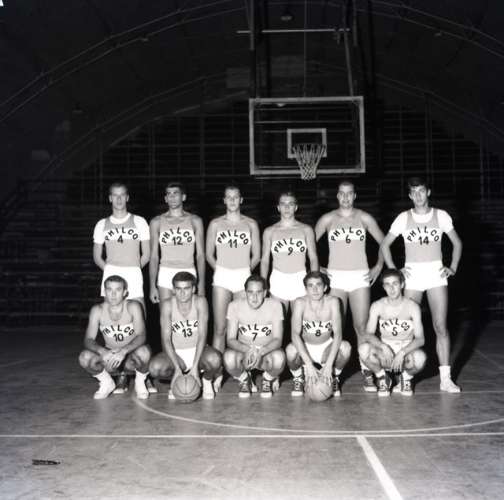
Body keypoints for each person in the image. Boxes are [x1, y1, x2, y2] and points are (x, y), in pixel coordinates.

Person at [380, 177, 462, 392]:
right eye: (414, 192)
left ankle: (446, 379)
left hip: (436, 275)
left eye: (421, 191)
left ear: (428, 192)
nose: (418, 195)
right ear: (410, 195)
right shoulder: (403, 218)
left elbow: (457, 242)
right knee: (407, 327)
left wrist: (452, 266)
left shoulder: (441, 215)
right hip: (412, 276)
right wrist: (395, 271)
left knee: (440, 326)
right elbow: (385, 244)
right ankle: (405, 377)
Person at [315, 180, 385, 392]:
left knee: (361, 327)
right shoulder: (327, 219)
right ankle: (333, 374)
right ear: (337, 196)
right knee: (335, 327)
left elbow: (385, 241)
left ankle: (367, 372)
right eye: (342, 193)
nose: (345, 197)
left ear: (354, 196)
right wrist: (317, 267)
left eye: (349, 193)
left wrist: (378, 266)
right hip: (335, 278)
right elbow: (308, 244)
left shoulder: (364, 218)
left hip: (359, 277)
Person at [92, 182, 153, 394]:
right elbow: (97, 257)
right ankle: (121, 375)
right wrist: (112, 271)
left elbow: (147, 254)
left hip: (133, 274)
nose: (118, 199)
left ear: (127, 197)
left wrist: (132, 269)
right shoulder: (102, 224)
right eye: (114, 195)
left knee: (139, 323)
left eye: (122, 195)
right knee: (115, 324)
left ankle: (144, 374)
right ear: (110, 198)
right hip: (111, 275)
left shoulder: (139, 221)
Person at [206, 184, 261, 392]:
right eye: (228, 197)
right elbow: (209, 254)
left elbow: (257, 255)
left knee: (241, 329)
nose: (231, 200)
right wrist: (222, 270)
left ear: (241, 200)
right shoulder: (215, 224)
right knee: (220, 328)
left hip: (243, 276)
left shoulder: (251, 224)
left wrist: (244, 271)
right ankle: (216, 372)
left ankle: (245, 374)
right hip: (222, 276)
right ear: (224, 200)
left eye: (235, 197)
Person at [149, 272, 222, 400]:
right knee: (155, 368)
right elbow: (166, 340)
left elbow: (202, 336)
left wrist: (195, 366)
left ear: (193, 289)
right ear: (173, 290)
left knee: (215, 359)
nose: (182, 293)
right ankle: (178, 379)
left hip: (198, 351)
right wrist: (177, 368)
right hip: (177, 355)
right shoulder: (167, 305)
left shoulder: (200, 302)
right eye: (178, 289)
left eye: (186, 288)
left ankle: (206, 380)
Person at [78, 275, 151, 399]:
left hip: (130, 358)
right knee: (84, 357)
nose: (113, 294)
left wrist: (123, 351)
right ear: (104, 291)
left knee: (144, 352)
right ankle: (107, 383)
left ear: (125, 292)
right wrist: (102, 351)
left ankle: (140, 382)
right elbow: (88, 339)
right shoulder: (97, 310)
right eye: (109, 289)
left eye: (118, 290)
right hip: (110, 359)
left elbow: (142, 336)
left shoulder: (133, 306)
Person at [359, 269, 426, 396]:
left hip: (405, 351)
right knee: (363, 349)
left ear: (402, 284)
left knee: (420, 358)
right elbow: (368, 334)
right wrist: (383, 346)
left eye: (395, 283)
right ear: (384, 287)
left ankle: (405, 378)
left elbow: (420, 339)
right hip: (386, 353)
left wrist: (403, 352)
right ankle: (383, 377)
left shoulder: (412, 307)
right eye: (387, 284)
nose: (391, 288)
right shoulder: (377, 305)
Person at [287, 271, 351, 397]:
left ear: (325, 287)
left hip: (326, 347)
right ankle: (298, 377)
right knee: (290, 350)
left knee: (346, 347)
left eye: (318, 285)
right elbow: (294, 334)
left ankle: (334, 377)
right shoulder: (300, 303)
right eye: (310, 286)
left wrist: (329, 366)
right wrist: (309, 365)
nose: (315, 289)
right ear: (305, 289)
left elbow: (338, 334)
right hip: (306, 346)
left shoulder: (333, 302)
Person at [224, 275, 285, 398]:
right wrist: (247, 349)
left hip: (266, 353)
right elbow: (230, 339)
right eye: (250, 292)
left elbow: (278, 340)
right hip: (245, 352)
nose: (254, 297)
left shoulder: (275, 305)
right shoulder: (234, 306)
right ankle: (244, 379)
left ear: (265, 293)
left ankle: (268, 378)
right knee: (228, 358)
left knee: (279, 359)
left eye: (259, 292)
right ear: (245, 292)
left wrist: (261, 351)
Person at [149, 183, 205, 303]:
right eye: (169, 194)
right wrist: (152, 286)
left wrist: (201, 284)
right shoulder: (156, 222)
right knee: (166, 312)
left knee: (189, 312)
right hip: (165, 271)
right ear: (165, 198)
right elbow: (153, 256)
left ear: (183, 197)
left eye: (176, 193)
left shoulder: (195, 221)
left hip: (188, 269)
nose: (172, 197)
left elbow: (200, 255)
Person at [261, 191, 318, 310]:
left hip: (300, 280)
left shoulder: (306, 230)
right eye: (283, 204)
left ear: (296, 207)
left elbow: (313, 258)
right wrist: (262, 283)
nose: (287, 207)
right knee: (277, 321)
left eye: (290, 204)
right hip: (278, 280)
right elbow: (265, 260)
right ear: (278, 207)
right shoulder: (269, 231)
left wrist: (314, 281)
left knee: (301, 321)